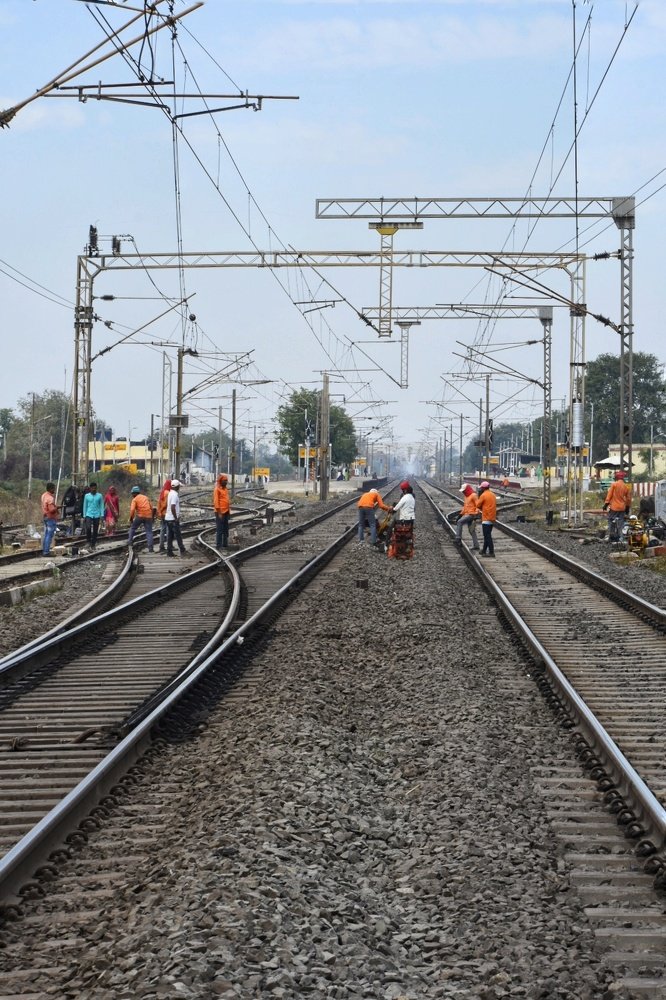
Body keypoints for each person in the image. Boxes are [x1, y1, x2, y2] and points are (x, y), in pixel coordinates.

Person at [387, 481, 415, 560]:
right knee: (409, 531)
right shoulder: (412, 497)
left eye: (403, 490)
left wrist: (392, 508)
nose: (402, 491)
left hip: (405, 520)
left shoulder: (405, 497)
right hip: (411, 519)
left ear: (405, 490)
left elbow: (396, 507)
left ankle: (386, 544)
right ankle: (407, 543)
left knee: (391, 525)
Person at [603, 470, 632, 543]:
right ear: (623, 478)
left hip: (614, 508)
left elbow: (609, 495)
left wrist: (606, 504)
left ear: (616, 478)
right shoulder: (626, 487)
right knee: (621, 523)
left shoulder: (614, 485)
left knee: (610, 521)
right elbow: (628, 499)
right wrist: (627, 508)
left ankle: (611, 537)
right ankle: (621, 538)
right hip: (622, 508)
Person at [165, 479, 188, 557]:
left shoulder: (170, 493)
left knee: (170, 536)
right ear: (177, 486)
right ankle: (182, 550)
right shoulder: (174, 495)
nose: (179, 487)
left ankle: (169, 551)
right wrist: (176, 518)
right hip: (172, 518)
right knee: (178, 535)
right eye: (179, 486)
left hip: (168, 518)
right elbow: (172, 507)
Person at [127, 485, 155, 551]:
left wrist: (131, 518)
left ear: (135, 493)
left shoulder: (135, 499)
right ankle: (150, 548)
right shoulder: (146, 497)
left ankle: (130, 542)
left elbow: (132, 510)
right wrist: (152, 517)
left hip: (140, 516)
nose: (132, 495)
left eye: (132, 493)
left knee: (133, 528)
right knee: (149, 532)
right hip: (148, 516)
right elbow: (152, 508)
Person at [475, 480, 497, 558]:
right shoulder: (493, 494)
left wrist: (479, 495)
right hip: (492, 517)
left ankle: (491, 552)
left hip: (486, 518)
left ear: (483, 488)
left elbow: (477, 505)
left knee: (487, 536)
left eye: (481, 488)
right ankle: (484, 550)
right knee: (487, 535)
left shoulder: (483, 495)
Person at [455, 484, 480, 551]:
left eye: (464, 491)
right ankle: (476, 545)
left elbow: (478, 506)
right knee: (471, 530)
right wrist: (460, 515)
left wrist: (476, 514)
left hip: (471, 514)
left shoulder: (473, 495)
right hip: (467, 514)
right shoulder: (466, 497)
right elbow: (465, 507)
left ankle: (458, 538)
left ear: (467, 490)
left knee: (459, 522)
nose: (463, 492)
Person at [82, 481, 104, 549]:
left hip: (97, 514)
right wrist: (84, 515)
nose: (94, 489)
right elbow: (85, 506)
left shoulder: (100, 496)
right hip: (89, 514)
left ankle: (93, 544)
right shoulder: (87, 496)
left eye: (95, 488)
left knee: (95, 529)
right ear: (90, 488)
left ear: (96, 488)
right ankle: (88, 541)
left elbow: (101, 505)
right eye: (92, 488)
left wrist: (102, 515)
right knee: (88, 528)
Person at [40, 481, 59, 556]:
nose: (54, 490)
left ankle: (45, 550)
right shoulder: (50, 498)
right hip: (50, 517)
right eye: (53, 488)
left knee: (46, 534)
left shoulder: (43, 495)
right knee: (49, 535)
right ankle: (46, 552)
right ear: (51, 489)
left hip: (45, 516)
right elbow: (51, 510)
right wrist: (57, 507)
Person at [213, 474, 231, 550]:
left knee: (226, 529)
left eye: (226, 480)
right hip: (220, 512)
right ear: (221, 481)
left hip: (226, 511)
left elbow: (227, 501)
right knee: (220, 529)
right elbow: (216, 502)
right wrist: (219, 512)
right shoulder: (217, 489)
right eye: (224, 480)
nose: (226, 482)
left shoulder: (225, 489)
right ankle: (218, 545)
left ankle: (225, 544)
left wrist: (229, 512)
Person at [156, 478, 172, 553]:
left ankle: (161, 545)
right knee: (169, 530)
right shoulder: (168, 493)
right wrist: (162, 509)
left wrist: (159, 512)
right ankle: (169, 546)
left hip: (162, 514)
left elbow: (159, 503)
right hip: (167, 514)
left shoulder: (162, 492)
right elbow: (166, 504)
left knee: (162, 530)